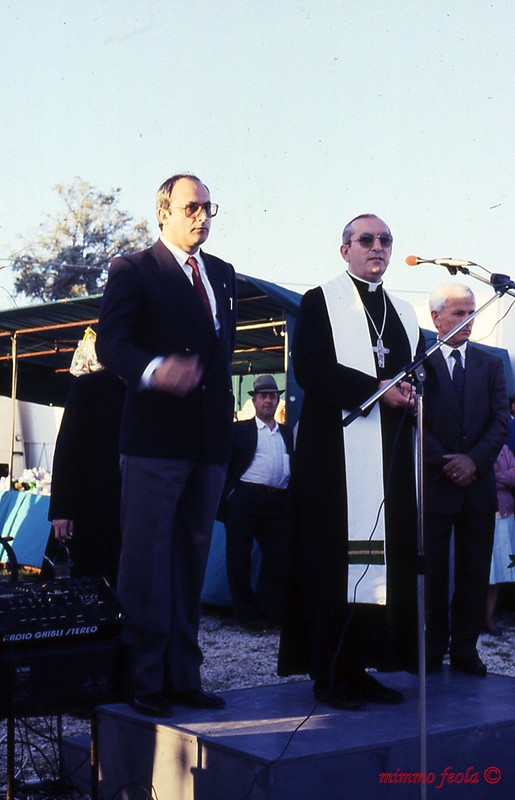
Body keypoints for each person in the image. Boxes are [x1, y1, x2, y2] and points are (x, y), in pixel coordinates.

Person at [96, 173, 237, 717]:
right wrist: (156, 369)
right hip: (155, 442)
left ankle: (183, 677)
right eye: (191, 207)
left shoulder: (222, 274)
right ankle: (143, 679)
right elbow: (111, 344)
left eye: (208, 207)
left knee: (191, 561)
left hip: (209, 443)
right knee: (147, 563)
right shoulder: (133, 269)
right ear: (164, 213)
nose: (201, 216)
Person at [278, 213, 422, 710]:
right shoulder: (320, 300)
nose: (377, 247)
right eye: (366, 240)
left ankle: (362, 667)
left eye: (385, 240)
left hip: (388, 455)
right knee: (334, 560)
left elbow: (412, 371)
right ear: (345, 250)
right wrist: (375, 389)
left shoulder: (403, 311)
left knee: (380, 560)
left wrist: (412, 393)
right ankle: (329, 670)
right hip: (335, 457)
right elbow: (310, 368)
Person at [423, 283, 508, 676]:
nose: (468, 321)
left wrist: (473, 462)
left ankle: (465, 650)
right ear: (436, 317)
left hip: (478, 486)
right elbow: (414, 420)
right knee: (434, 573)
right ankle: (432, 648)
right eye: (459, 313)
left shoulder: (490, 364)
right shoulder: (421, 364)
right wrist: (447, 461)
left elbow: (500, 422)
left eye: (472, 312)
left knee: (474, 573)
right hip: (437, 485)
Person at [222, 374, 294, 628]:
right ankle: (247, 615)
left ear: (278, 400)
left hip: (277, 502)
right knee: (239, 558)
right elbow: (226, 463)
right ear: (254, 401)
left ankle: (272, 612)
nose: (267, 401)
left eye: (272, 396)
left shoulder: (286, 433)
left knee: (278, 558)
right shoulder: (240, 430)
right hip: (245, 499)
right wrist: (230, 494)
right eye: (263, 396)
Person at [43, 369, 125, 588]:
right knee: (77, 584)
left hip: (125, 506)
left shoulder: (146, 389)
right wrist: (62, 510)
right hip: (87, 504)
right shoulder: (89, 386)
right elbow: (67, 446)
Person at [485, 445, 515, 635]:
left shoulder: (504, 449)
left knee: (503, 570)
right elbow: (482, 479)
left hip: (507, 516)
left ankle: (491, 615)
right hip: (490, 516)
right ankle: (484, 618)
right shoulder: (481, 448)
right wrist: (506, 476)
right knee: (490, 572)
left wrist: (498, 477)